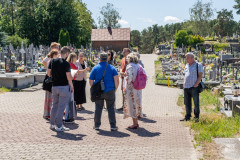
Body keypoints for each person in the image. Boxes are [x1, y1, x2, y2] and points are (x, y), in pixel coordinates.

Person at [89, 52, 119, 131]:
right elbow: (116, 80)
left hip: (99, 91)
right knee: (111, 108)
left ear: (99, 58)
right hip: (110, 90)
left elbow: (91, 80)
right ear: (107, 58)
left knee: (98, 108)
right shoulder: (112, 68)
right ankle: (113, 126)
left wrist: (94, 88)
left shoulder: (95, 68)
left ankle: (96, 125)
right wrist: (115, 89)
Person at [48, 46, 74, 132]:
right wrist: (71, 85)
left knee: (54, 105)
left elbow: (48, 73)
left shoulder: (52, 61)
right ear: (66, 54)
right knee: (61, 107)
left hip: (54, 86)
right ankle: (59, 125)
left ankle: (52, 124)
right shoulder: (66, 64)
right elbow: (68, 76)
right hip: (64, 86)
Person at [123, 53, 145, 129]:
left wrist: (125, 76)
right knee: (137, 103)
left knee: (132, 105)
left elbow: (129, 79)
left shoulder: (130, 66)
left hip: (131, 88)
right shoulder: (139, 66)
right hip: (138, 88)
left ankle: (135, 123)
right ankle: (136, 121)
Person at [180, 52, 203, 123]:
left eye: (187, 58)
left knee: (196, 103)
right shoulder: (187, 65)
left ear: (192, 58)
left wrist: (196, 84)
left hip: (194, 87)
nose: (186, 59)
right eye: (186, 58)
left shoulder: (198, 65)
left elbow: (200, 75)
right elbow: (185, 75)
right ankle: (187, 116)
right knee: (187, 103)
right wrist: (184, 83)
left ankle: (196, 117)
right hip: (186, 87)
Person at [42, 42, 60, 119]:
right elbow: (44, 62)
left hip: (55, 77)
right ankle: (47, 113)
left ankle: (54, 112)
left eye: (58, 47)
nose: (57, 48)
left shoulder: (58, 56)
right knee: (49, 95)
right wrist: (48, 68)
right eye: (56, 47)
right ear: (52, 47)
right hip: (50, 77)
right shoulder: (49, 56)